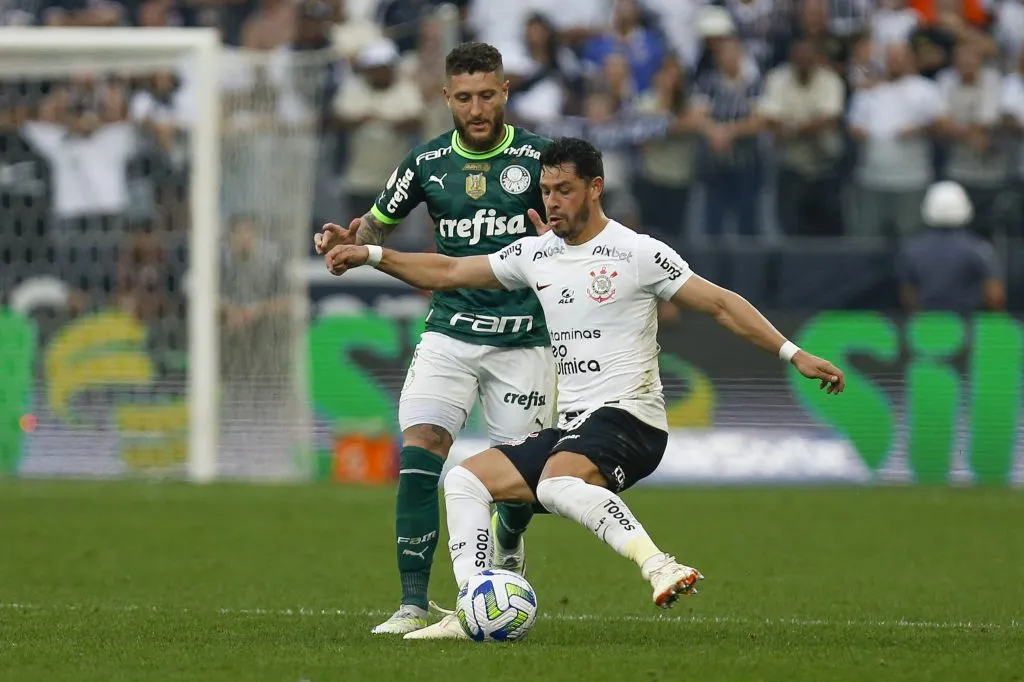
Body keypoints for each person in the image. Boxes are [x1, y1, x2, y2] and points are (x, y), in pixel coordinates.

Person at [325, 137, 846, 640]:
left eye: (564, 190)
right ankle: (476, 604)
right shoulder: (536, 254)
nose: (552, 202)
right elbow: (450, 268)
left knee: (553, 483)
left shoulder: (636, 252)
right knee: (464, 480)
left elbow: (719, 303)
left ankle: (658, 564)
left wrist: (793, 353)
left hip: (632, 419)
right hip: (576, 427)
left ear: (595, 188)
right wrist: (371, 254)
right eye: (546, 191)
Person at [314, 42, 557, 636]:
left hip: (524, 337)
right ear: (447, 98)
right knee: (420, 450)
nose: (477, 109)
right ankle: (413, 603)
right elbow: (377, 222)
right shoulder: (426, 163)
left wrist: (563, 235)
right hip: (449, 328)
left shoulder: (539, 157)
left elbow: (582, 225)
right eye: (465, 98)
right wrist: (351, 235)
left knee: (519, 489)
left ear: (505, 92)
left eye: (487, 96)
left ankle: (508, 540)